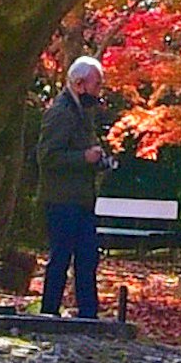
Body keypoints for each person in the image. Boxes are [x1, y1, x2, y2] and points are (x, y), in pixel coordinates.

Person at [36, 51, 115, 326]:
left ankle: (88, 314)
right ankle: (48, 312)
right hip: (61, 199)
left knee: (87, 257)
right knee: (61, 256)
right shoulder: (60, 113)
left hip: (81, 199)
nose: (98, 91)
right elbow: (47, 157)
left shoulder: (83, 114)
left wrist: (98, 160)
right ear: (79, 83)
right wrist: (83, 158)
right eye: (96, 85)